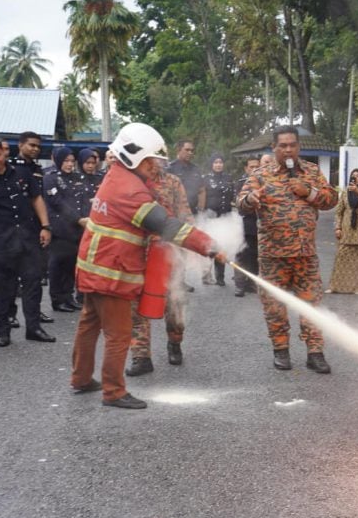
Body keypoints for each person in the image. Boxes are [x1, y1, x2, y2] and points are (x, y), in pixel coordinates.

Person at [70, 123, 223, 410]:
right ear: (133, 158)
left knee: (89, 325)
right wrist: (209, 246)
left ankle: (80, 378)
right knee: (119, 334)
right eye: (151, 162)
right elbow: (166, 225)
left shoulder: (116, 176)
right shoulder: (129, 190)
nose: (156, 168)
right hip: (111, 273)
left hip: (93, 267)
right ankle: (113, 392)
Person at [237, 125, 338, 374]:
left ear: (298, 146)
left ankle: (315, 353)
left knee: (311, 304)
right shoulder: (261, 174)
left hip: (305, 254)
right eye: (283, 145)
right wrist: (250, 200)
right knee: (274, 306)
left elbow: (331, 199)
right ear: (274, 148)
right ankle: (281, 351)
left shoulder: (312, 172)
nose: (288, 149)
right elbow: (241, 204)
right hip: (273, 256)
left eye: (292, 144)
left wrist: (310, 192)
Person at [0, 135, 55, 347]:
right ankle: (3, 330)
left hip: (27, 237)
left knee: (33, 284)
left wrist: (45, 226)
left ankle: (34, 327)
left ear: (4, 151)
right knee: (1, 288)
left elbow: (36, 198)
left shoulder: (22, 170)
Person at [125, 145, 195, 375]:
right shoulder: (133, 182)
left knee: (174, 304)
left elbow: (185, 215)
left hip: (168, 253)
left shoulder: (173, 182)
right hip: (137, 253)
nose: (155, 162)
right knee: (136, 306)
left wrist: (190, 244)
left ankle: (175, 343)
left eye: (158, 158)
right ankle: (141, 356)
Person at [9, 131, 53, 324]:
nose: (35, 149)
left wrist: (45, 226)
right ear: (20, 145)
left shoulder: (36, 169)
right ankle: (9, 314)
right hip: (14, 228)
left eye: (37, 146)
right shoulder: (11, 168)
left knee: (35, 276)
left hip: (35, 228)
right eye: (31, 145)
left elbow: (40, 198)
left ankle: (34, 314)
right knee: (11, 276)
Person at [43, 147, 91, 312]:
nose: (70, 164)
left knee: (72, 265)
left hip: (77, 229)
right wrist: (78, 219)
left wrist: (85, 217)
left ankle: (68, 296)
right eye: (66, 161)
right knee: (57, 266)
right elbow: (57, 203)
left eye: (72, 161)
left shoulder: (78, 177)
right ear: (58, 161)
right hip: (60, 228)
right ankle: (57, 299)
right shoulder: (51, 178)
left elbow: (84, 200)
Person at [327, 168, 358, 294]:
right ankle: (335, 287)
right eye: (353, 176)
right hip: (346, 231)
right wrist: (337, 227)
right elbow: (339, 212)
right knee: (340, 257)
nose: (356, 178)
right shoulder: (345, 194)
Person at [202, 152, 235, 286]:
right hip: (210, 217)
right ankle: (206, 275)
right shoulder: (205, 179)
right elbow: (202, 198)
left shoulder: (228, 178)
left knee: (222, 247)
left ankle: (220, 277)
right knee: (209, 247)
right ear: (211, 164)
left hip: (225, 217)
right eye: (215, 162)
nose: (218, 165)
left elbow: (232, 196)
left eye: (220, 162)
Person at [233, 155, 262, 297]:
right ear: (246, 168)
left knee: (255, 256)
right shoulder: (240, 184)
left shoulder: (264, 182)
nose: (255, 169)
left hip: (259, 226)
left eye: (257, 166)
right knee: (241, 255)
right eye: (252, 167)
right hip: (243, 225)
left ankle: (252, 283)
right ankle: (240, 285)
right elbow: (240, 207)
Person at [165, 138, 206, 215]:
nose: (190, 153)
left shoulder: (196, 169)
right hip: (176, 213)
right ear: (178, 150)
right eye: (187, 150)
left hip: (194, 213)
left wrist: (201, 210)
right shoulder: (170, 168)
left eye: (192, 150)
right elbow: (164, 193)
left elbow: (201, 190)